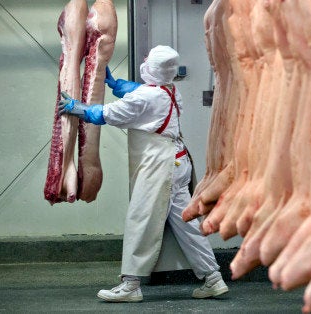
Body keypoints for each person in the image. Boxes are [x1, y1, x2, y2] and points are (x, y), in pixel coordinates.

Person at [58, 45, 228, 302]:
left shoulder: (148, 97)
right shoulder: (169, 90)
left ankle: (131, 285)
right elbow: (139, 93)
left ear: (152, 68)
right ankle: (213, 279)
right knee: (187, 224)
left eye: (148, 60)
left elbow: (109, 113)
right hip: (178, 163)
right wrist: (116, 84)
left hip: (160, 168)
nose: (144, 61)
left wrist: (78, 108)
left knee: (141, 218)